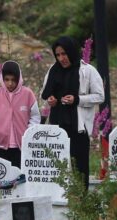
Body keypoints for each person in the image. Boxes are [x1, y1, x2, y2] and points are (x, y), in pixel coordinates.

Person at [41, 36, 104, 189]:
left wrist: (77, 100)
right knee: (58, 169)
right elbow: (44, 93)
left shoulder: (87, 71)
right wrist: (51, 100)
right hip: (57, 126)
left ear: (71, 51)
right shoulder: (53, 70)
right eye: (58, 55)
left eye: (64, 54)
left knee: (79, 169)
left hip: (78, 127)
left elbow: (100, 96)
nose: (61, 58)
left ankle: (82, 205)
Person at [0, 60, 40, 168]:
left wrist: (29, 130)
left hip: (22, 146)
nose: (10, 83)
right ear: (2, 79)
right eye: (7, 79)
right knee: (3, 179)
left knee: (20, 178)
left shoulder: (28, 94)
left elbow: (35, 116)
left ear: (19, 79)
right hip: (1, 146)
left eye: (13, 80)